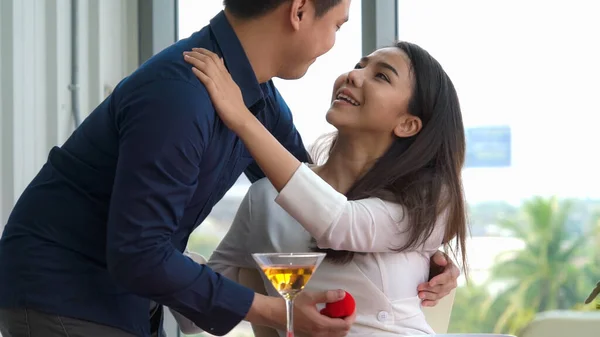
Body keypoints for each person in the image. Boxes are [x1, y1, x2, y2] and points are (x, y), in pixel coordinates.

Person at [0, 1, 457, 336]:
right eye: (336, 26)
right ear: (299, 12)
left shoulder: (255, 99)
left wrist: (416, 249)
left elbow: (309, 192)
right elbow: (139, 254)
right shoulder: (182, 96)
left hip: (125, 296)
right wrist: (282, 313)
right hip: (68, 293)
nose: (337, 55)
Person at [182, 41, 468, 336]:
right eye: (360, 66)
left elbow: (340, 223)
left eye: (381, 76)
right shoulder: (265, 199)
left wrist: (240, 117)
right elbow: (196, 316)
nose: (353, 76)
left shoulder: (427, 200)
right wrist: (154, 243)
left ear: (407, 124)